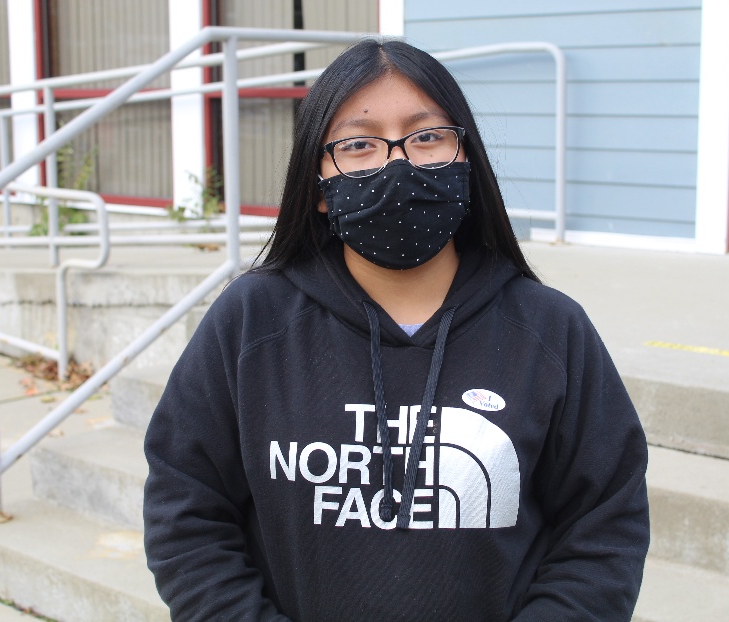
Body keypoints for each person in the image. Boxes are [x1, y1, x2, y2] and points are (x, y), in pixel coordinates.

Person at [143, 38, 650, 621]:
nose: (398, 164)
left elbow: (604, 529)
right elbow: (186, 513)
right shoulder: (250, 322)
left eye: (427, 136)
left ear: (466, 159)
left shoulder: (551, 330)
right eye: (358, 144)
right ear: (318, 188)